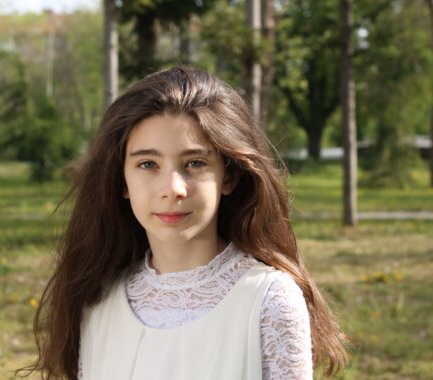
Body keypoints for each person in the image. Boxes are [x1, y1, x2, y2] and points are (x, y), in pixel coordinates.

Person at [23, 67, 347, 379]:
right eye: (148, 164)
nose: (172, 189)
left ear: (229, 175)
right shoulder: (97, 298)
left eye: (195, 163)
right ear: (121, 179)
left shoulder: (269, 301)